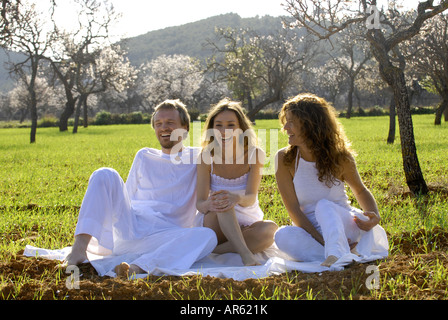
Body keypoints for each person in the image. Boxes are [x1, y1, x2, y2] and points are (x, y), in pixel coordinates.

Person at [64, 99, 217, 277]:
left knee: (207, 236)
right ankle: (79, 250)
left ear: (185, 127)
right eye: (158, 124)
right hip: (130, 230)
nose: (164, 128)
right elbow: (126, 198)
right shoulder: (144, 155)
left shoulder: (199, 157)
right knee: (104, 173)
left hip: (165, 236)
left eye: (170, 123)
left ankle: (137, 267)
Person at [274, 93, 388, 267]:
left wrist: (374, 215)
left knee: (324, 205)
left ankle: (336, 253)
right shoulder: (284, 159)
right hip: (310, 231)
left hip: (344, 225)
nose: (285, 128)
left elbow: (360, 190)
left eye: (291, 122)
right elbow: (294, 211)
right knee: (281, 235)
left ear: (310, 124)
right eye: (285, 122)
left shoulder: (341, 157)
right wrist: (323, 241)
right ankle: (340, 254)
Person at [194, 98, 278, 266]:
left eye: (231, 125)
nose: (224, 131)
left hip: (246, 221)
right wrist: (210, 204)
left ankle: (216, 250)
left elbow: (251, 197)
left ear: (241, 128)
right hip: (215, 223)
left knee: (271, 230)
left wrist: (237, 198)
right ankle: (246, 254)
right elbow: (200, 203)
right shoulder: (205, 156)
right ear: (211, 129)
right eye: (218, 125)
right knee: (223, 200)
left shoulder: (255, 154)